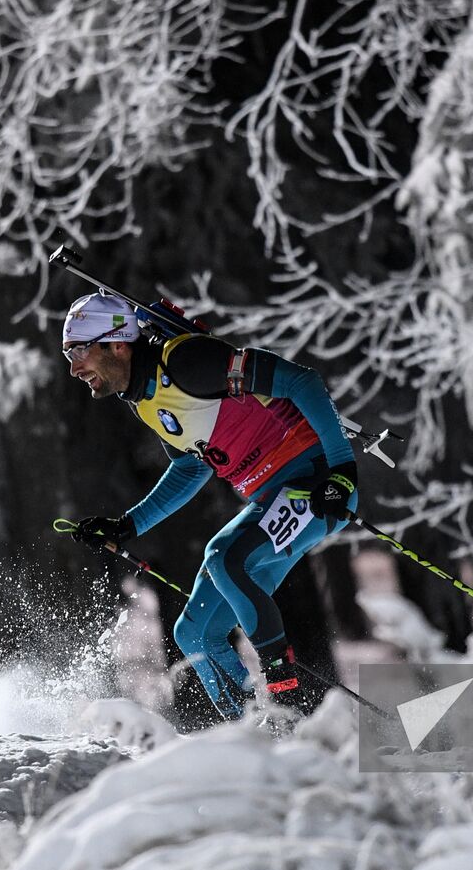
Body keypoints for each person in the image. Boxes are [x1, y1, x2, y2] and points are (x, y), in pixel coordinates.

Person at [61, 292, 358, 719]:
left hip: (315, 482)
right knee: (194, 633)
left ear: (117, 343)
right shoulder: (145, 399)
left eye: (78, 350)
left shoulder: (186, 361)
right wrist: (127, 526)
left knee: (224, 558)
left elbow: (301, 381)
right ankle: (256, 732)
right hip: (274, 495)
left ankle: (285, 696)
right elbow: (190, 468)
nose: (73, 368)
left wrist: (342, 471)